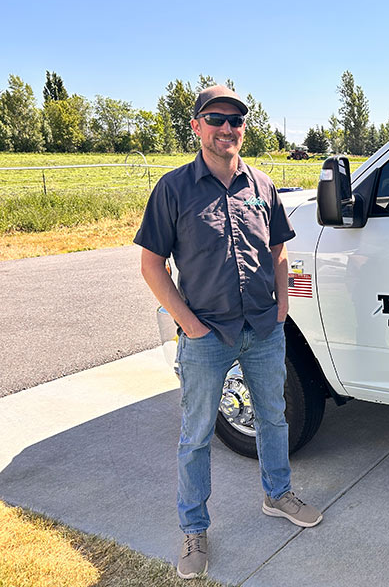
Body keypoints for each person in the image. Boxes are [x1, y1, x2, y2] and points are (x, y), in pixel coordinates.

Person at [134, 84, 322, 580]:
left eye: (235, 120)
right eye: (215, 119)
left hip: (263, 329)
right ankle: (194, 529)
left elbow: (279, 250)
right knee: (196, 436)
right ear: (196, 126)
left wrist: (283, 306)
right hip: (206, 336)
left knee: (274, 419)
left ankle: (278, 495)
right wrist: (189, 324)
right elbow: (152, 266)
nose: (226, 128)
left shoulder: (262, 185)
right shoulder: (173, 189)